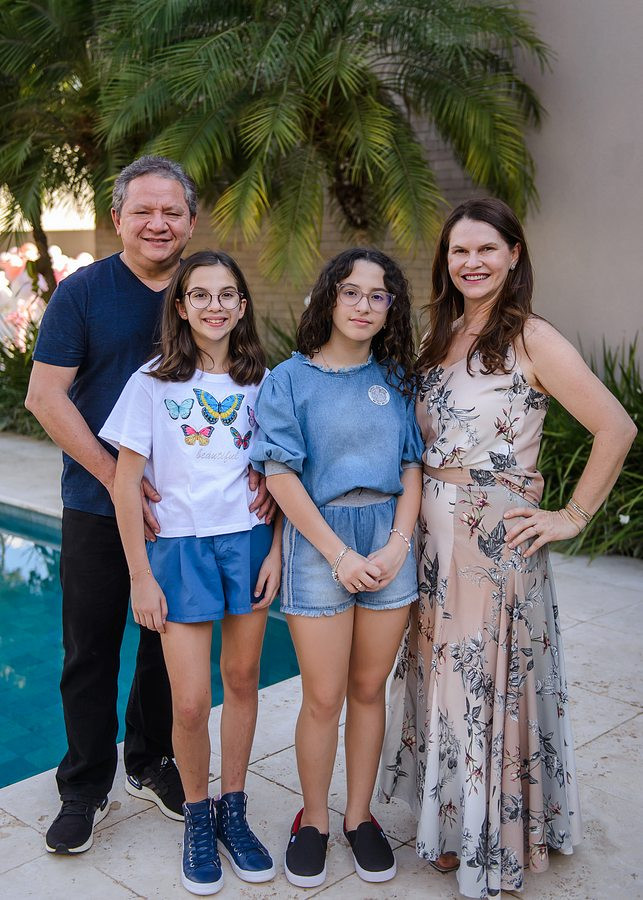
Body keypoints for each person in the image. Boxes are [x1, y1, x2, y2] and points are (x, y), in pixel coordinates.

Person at [379, 198, 637, 898]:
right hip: (431, 539)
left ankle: (492, 837)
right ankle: (449, 823)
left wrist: (571, 515)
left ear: (514, 254)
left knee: (482, 687)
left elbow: (615, 427)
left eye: (486, 249)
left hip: (493, 540)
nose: (472, 262)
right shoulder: (440, 333)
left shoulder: (531, 336)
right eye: (459, 251)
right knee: (444, 682)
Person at [24, 156, 271, 856]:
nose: (157, 223)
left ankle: (150, 760)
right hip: (98, 502)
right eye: (143, 211)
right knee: (91, 647)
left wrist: (264, 476)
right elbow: (45, 396)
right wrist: (116, 479)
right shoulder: (83, 292)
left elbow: (248, 400)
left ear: (191, 222)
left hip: (192, 520)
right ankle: (84, 785)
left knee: (169, 656)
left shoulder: (204, 291)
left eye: (171, 212)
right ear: (118, 219)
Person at [100, 250, 279, 894]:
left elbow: (282, 474)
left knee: (242, 679)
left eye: (227, 294)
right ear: (180, 307)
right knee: (191, 699)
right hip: (178, 550)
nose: (214, 306)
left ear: (242, 304)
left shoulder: (265, 382)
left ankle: (234, 809)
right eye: (200, 294)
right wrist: (140, 576)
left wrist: (276, 549)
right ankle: (197, 816)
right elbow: (126, 486)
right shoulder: (151, 383)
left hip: (248, 543)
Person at [250, 248, 424, 888]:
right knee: (323, 696)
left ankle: (359, 817)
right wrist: (338, 554)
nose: (364, 305)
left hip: (387, 541)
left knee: (368, 690)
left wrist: (397, 545)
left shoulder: (397, 379)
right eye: (351, 291)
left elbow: (412, 464)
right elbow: (279, 473)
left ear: (391, 307)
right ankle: (315, 821)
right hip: (320, 542)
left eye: (378, 295)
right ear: (329, 297)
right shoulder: (289, 379)